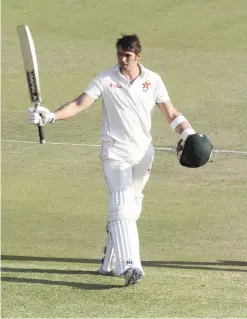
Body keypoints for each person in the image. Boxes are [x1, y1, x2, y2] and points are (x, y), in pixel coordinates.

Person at [28, 34, 197, 286]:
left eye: (127, 56)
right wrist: (51, 116)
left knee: (133, 207)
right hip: (115, 152)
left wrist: (189, 133)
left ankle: (108, 264)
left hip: (142, 153)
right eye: (119, 54)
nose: (122, 59)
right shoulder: (106, 79)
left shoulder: (153, 80)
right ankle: (130, 266)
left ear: (138, 56)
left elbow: (171, 113)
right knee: (121, 205)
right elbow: (78, 103)